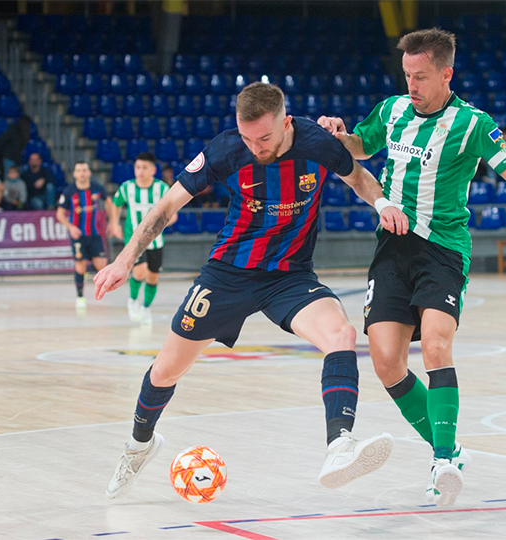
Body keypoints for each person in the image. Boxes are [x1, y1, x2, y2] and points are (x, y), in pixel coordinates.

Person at [317, 28, 506, 506]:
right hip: (391, 247)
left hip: (443, 250)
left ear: (447, 73)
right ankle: (446, 447)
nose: (412, 84)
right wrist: (334, 135)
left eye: (422, 76)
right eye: (407, 74)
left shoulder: (471, 124)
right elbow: (358, 147)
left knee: (434, 345)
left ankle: (444, 460)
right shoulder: (391, 110)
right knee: (387, 361)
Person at [93, 82, 406, 501]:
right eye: (247, 137)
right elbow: (165, 208)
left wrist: (382, 202)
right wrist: (125, 260)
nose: (255, 146)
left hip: (290, 276)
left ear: (286, 122)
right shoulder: (226, 150)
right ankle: (139, 446)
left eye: (264, 137)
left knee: (342, 336)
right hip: (228, 274)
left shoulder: (316, 142)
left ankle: (339, 445)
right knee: (166, 370)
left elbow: (358, 177)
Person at [108, 153, 176, 321]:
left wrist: (162, 224)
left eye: (144, 168)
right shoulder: (127, 187)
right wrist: (115, 224)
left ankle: (145, 308)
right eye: (138, 167)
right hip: (134, 240)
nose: (140, 171)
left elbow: (173, 214)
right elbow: (116, 205)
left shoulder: (162, 189)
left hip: (156, 240)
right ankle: (132, 300)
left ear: (153, 170)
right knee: (140, 271)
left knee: (153, 276)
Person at [56, 162, 109, 310]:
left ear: (89, 172)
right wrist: (70, 227)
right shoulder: (69, 191)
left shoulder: (97, 188)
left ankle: (91, 277)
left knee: (101, 265)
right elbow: (59, 214)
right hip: (78, 235)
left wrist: (113, 222)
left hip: (95, 233)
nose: (82, 173)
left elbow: (109, 202)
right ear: (74, 174)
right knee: (80, 265)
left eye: (84, 170)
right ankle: (80, 296)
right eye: (79, 170)